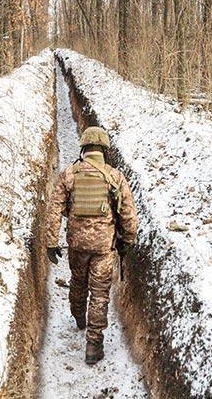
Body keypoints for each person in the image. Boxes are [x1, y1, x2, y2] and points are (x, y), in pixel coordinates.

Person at [45, 126, 138, 365]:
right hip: (103, 247)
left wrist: (51, 242)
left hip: (76, 245)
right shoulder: (114, 177)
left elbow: (54, 209)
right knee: (99, 294)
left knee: (78, 281)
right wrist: (127, 241)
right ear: (104, 149)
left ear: (84, 148)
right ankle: (93, 345)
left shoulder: (69, 174)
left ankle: (78, 316)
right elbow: (128, 215)